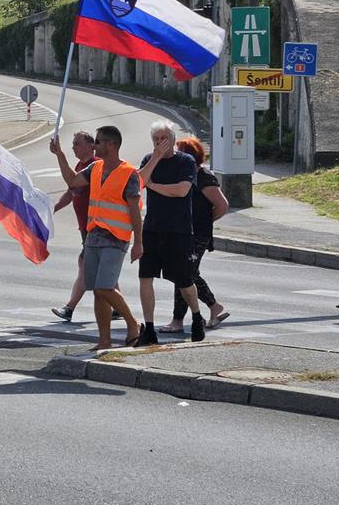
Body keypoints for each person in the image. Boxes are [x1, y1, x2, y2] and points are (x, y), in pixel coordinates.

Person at [49, 127, 143, 350]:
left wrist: (138, 242)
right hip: (93, 236)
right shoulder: (96, 168)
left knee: (104, 287)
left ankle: (133, 325)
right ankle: (104, 341)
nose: (94, 146)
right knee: (97, 292)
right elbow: (72, 181)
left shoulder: (128, 173)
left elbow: (135, 212)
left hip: (116, 238)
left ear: (111, 145)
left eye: (98, 142)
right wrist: (60, 155)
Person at [136, 120, 205, 346]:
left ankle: (196, 316)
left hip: (178, 230)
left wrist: (154, 186)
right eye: (156, 140)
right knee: (145, 277)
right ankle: (149, 328)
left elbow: (181, 190)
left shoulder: (186, 161)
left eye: (163, 139)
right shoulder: (149, 160)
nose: (159, 143)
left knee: (184, 280)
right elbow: (139, 182)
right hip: (152, 228)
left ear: (173, 140)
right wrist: (155, 158)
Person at [158, 136, 230, 333]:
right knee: (185, 272)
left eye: (180, 152)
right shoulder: (186, 176)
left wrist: (206, 222)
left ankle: (181, 319)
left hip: (197, 235)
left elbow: (222, 206)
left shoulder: (203, 177)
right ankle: (211, 308)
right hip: (183, 232)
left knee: (184, 273)